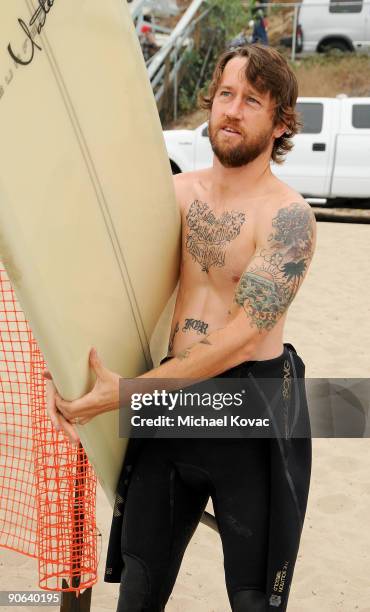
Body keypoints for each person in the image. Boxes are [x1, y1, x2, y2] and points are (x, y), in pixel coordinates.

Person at [45, 44, 316, 611]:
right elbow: (111, 287)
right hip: (169, 412)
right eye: (225, 94)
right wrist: (74, 377)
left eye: (252, 101)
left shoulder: (289, 217)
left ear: (281, 121)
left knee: (253, 602)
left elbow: (244, 335)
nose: (232, 110)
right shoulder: (174, 195)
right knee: (137, 594)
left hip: (247, 413)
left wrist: (125, 396)